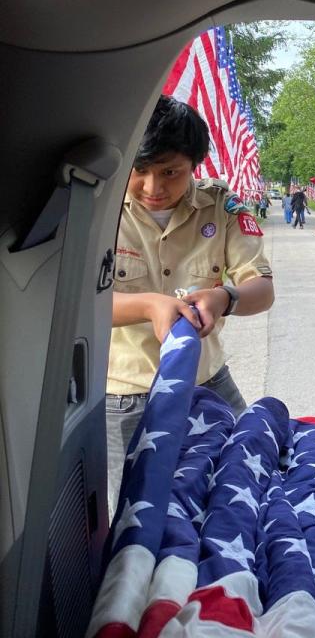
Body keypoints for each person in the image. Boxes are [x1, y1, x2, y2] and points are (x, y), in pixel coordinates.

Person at [107, 95, 275, 504]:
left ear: (194, 166)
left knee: (239, 489)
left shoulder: (220, 206)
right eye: (140, 170)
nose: (154, 188)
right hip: (125, 397)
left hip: (208, 383)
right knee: (131, 514)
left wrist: (225, 297)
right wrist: (149, 305)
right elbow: (75, 301)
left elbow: (263, 287)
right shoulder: (102, 211)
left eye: (170, 172)